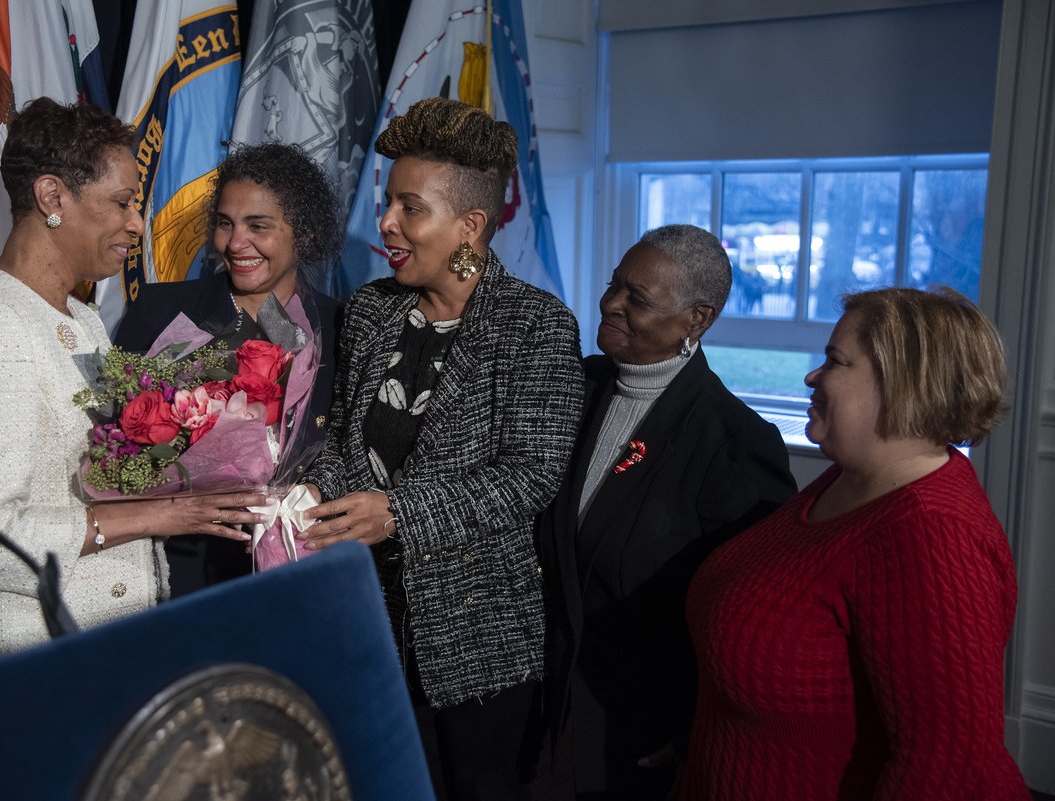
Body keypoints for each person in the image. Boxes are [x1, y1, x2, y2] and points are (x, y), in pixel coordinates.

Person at [0, 98, 266, 668]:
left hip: (98, 651)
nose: (136, 224)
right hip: (18, 669)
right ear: (53, 198)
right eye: (122, 203)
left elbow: (92, 473)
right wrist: (164, 515)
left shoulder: (81, 319)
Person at [297, 97, 585, 800]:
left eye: (408, 208)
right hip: (364, 621)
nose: (386, 225)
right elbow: (338, 435)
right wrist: (321, 495)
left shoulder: (536, 325)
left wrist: (395, 513)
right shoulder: (369, 310)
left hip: (479, 640)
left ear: (469, 226)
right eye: (388, 203)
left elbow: (529, 475)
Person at [681, 287, 1029, 800]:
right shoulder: (855, 478)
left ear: (905, 383)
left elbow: (949, 767)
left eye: (835, 361)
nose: (812, 376)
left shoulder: (931, 536)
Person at [536, 225, 797, 800]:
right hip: (540, 709)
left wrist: (688, 726)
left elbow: (745, 622)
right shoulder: (575, 383)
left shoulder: (736, 444)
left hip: (636, 731)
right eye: (614, 285)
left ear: (696, 320)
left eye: (638, 297)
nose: (610, 303)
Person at [113, 142, 343, 596]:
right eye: (224, 224)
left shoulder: (342, 328)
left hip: (298, 570)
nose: (235, 244)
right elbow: (114, 445)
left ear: (307, 233)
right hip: (173, 570)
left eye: (258, 226)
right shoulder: (159, 311)